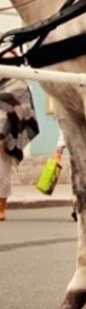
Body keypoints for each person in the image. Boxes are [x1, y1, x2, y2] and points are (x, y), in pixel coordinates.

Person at [0, 76, 39, 221]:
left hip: (6, 135)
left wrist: (7, 132)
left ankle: (1, 208)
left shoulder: (18, 85)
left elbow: (25, 108)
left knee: (2, 172)